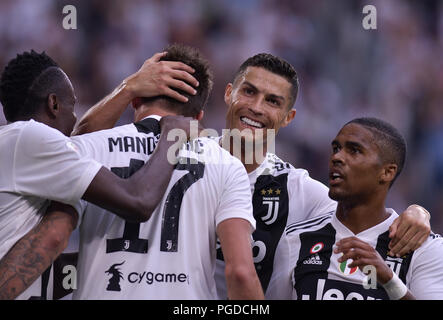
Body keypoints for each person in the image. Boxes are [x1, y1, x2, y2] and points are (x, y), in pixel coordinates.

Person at [74, 51, 432, 298]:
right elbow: (78, 147)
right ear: (229, 94)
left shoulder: (299, 190)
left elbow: (363, 214)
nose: (256, 108)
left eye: (273, 101)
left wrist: (417, 213)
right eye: (249, 91)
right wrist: (129, 88)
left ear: (288, 118)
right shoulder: (175, 152)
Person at [66, 44, 263, 300]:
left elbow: (73, 144)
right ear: (198, 116)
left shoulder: (90, 146)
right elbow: (240, 273)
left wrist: (128, 86)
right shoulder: (228, 166)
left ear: (135, 100)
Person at [0, 50, 199, 300]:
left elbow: (35, 268)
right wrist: (171, 137)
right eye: (72, 106)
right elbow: (138, 200)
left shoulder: (20, 150)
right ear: (53, 104)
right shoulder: (28, 138)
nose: (75, 118)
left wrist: (108, 259)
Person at [266, 117, 443, 300]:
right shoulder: (295, 239)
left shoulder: (424, 249)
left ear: (387, 172)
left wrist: (390, 282)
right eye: (336, 149)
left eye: (354, 151)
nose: (337, 157)